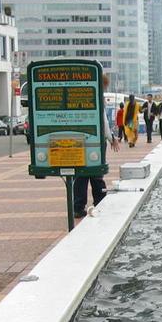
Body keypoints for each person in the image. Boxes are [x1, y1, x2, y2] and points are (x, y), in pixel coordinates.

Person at [73, 75, 121, 218]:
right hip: (95, 141)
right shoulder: (97, 98)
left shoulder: (79, 96)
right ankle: (100, 203)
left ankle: (78, 206)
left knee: (80, 175)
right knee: (96, 173)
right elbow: (104, 122)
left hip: (79, 140)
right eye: (105, 86)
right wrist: (111, 138)